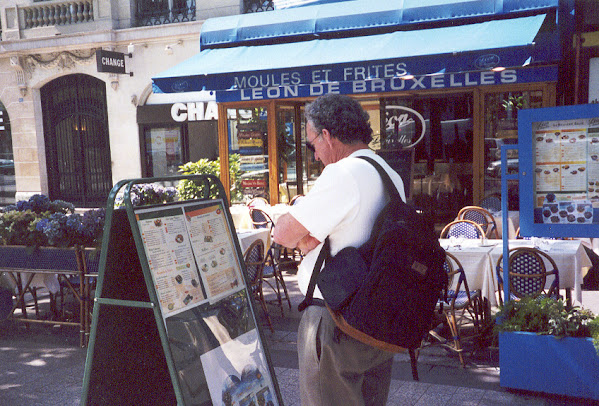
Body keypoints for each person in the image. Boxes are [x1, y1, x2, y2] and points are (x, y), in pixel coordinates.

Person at [273, 94, 406, 406]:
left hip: (336, 317)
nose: (315, 154)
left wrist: (306, 235)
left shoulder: (343, 173)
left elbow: (284, 234)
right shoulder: (389, 174)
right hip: (376, 317)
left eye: (311, 143)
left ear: (327, 136)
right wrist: (309, 236)